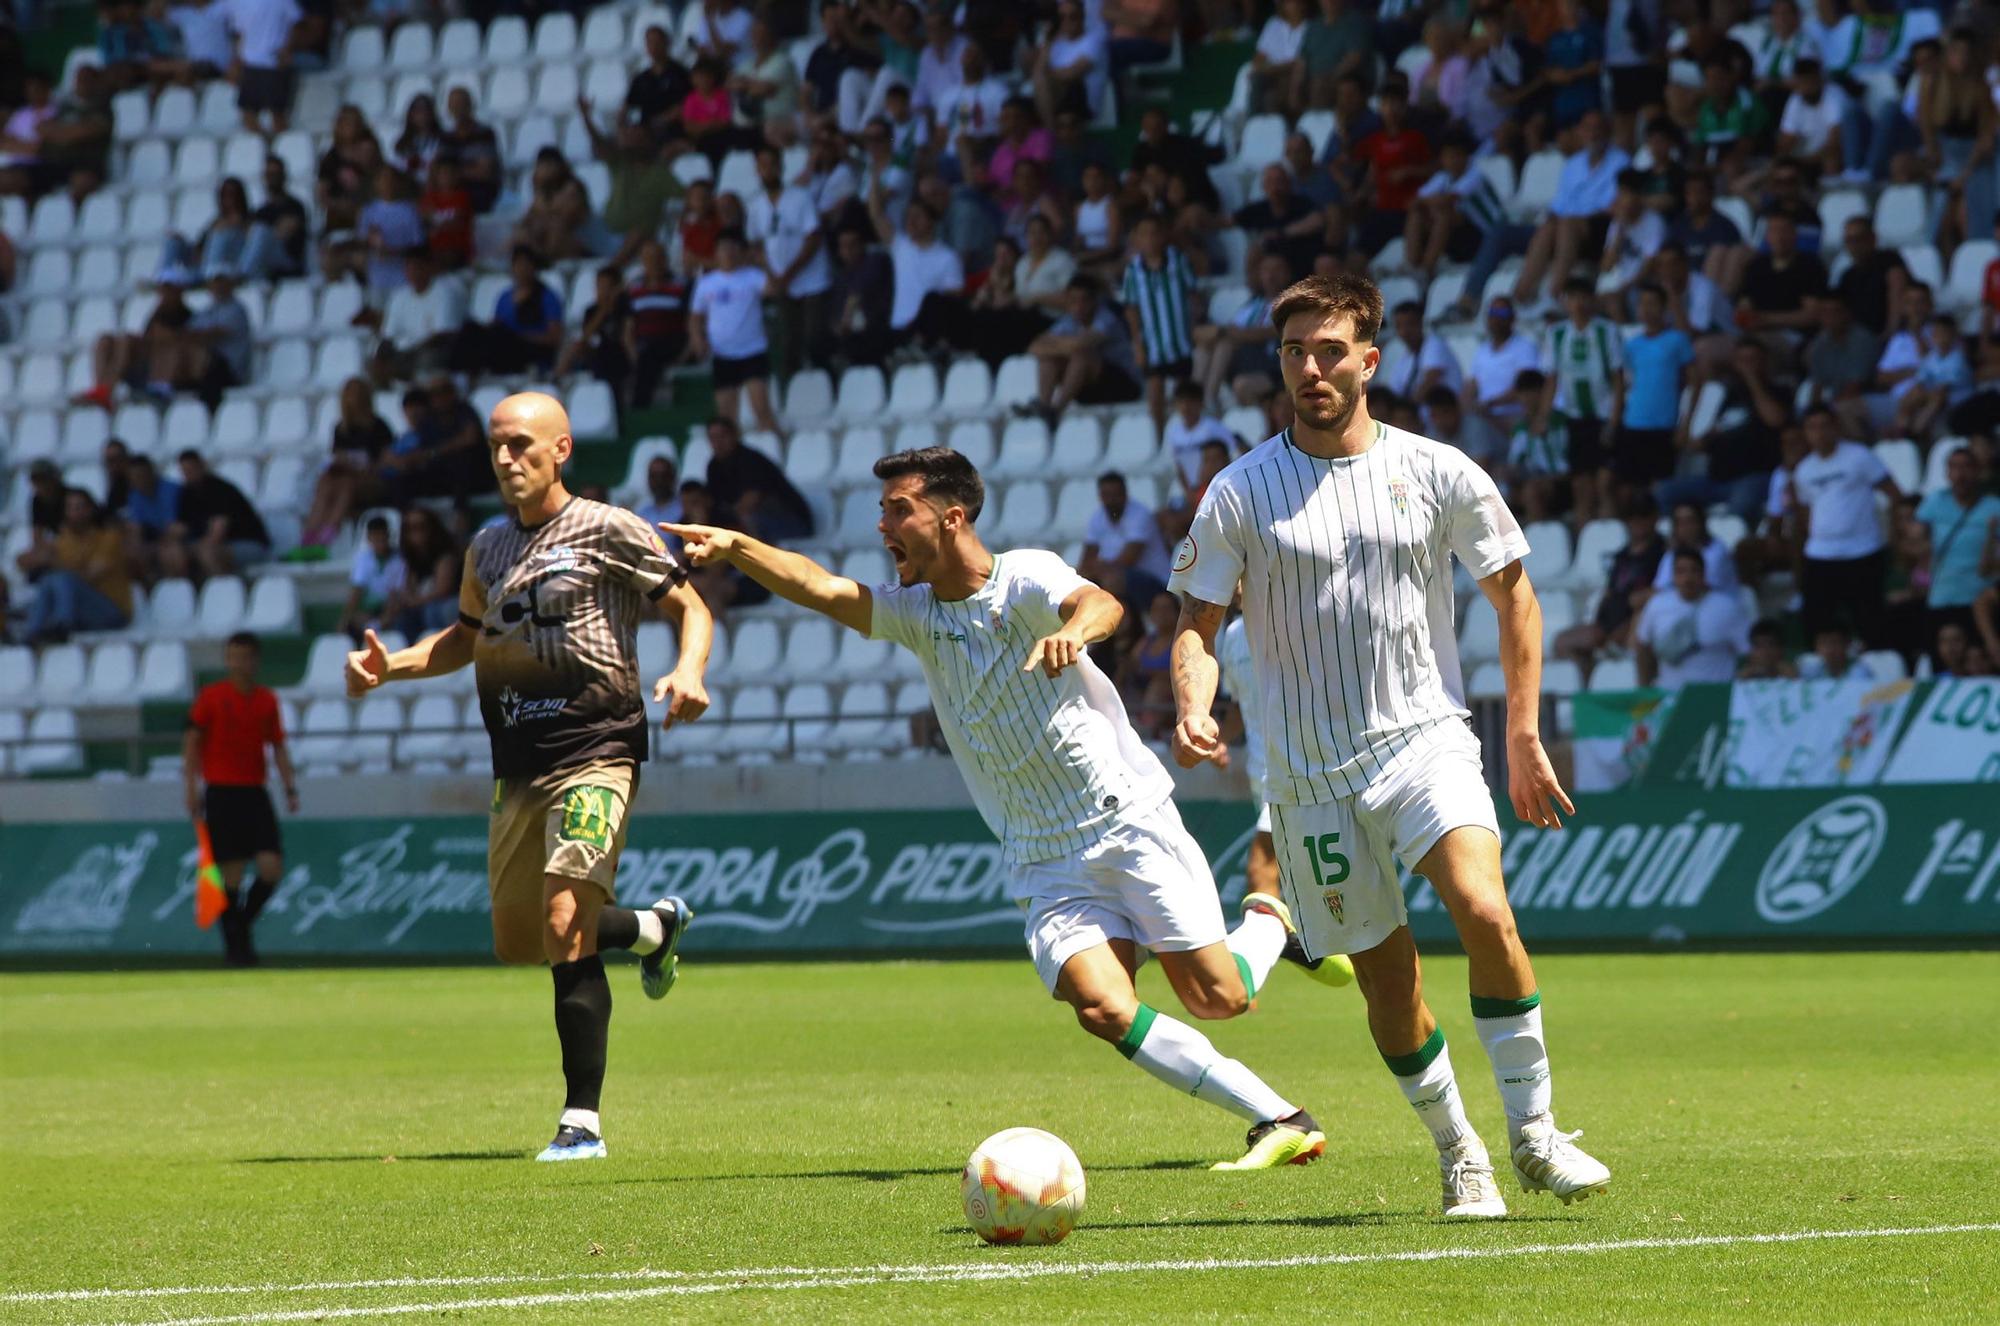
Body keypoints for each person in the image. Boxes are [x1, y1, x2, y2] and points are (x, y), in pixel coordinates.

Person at [665, 447, 1330, 1170]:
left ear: (950, 518)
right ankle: (1278, 1117)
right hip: (1041, 856)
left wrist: (1076, 631)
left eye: (898, 510)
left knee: (1218, 998)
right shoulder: (916, 614)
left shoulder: (1024, 578)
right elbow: (822, 587)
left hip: (1125, 821)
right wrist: (735, 547)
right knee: (1102, 1007)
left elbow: (1099, 602)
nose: (882, 524)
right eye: (881, 509)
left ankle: (1268, 921)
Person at [1168, 273, 1610, 1218]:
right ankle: (1462, 1155)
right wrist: (1193, 704)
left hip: (1424, 740)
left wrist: (1524, 734)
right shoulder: (1240, 492)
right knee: (1389, 979)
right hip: (1306, 775)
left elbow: (1516, 597)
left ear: (1371, 357)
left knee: (1484, 910)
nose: (1311, 368)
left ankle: (1534, 1135)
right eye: (1293, 352)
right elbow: (1197, 624)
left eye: (1329, 350)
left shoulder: (1440, 470)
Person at [344, 392, 714, 1162]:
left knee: (561, 926)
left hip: (598, 750)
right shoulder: (486, 550)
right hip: (518, 767)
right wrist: (393, 668)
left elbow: (691, 605)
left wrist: (688, 669)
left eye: (521, 444)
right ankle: (652, 927)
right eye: (496, 447)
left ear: (562, 448)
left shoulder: (609, 529)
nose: (507, 459)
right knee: (523, 941)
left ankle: (582, 1123)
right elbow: (464, 640)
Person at [183, 632, 297, 966]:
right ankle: (237, 948)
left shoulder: (266, 700)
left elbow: (277, 746)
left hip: (254, 791)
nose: (239, 663)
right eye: (233, 656)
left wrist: (289, 787)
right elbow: (192, 742)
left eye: (245, 656)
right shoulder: (211, 697)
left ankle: (240, 927)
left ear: (255, 660)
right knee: (231, 874)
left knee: (270, 866)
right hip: (221, 791)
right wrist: (191, 787)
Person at [1791, 404, 1900, 647]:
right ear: (1806, 433)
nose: (1819, 433)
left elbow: (1894, 493)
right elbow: (1806, 512)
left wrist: (1894, 537)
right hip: (1821, 553)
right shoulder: (1803, 470)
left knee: (1869, 619)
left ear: (1836, 427)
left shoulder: (1859, 456)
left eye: (1824, 426)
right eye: (1812, 428)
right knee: (1816, 620)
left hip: (1862, 550)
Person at [1541, 277, 1624, 524]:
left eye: (1582, 297)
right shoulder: (1555, 334)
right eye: (1572, 297)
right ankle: (1584, 541)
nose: (1577, 303)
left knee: (1604, 483)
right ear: (1565, 301)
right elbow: (1552, 381)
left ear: (1591, 300)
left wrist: (1614, 421)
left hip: (1603, 415)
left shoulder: (1606, 331)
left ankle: (1610, 533)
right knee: (1581, 486)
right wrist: (1543, 418)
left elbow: (1617, 380)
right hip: (1574, 418)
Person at [689, 228, 782, 436]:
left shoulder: (753, 276)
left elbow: (775, 290)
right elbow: (696, 317)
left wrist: (764, 263)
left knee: (762, 410)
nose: (728, 253)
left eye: (733, 248)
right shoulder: (707, 283)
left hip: (752, 352)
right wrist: (697, 339)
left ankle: (777, 455)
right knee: (726, 419)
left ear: (741, 251)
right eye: (723, 248)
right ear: (716, 252)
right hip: (723, 354)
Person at [1914, 445, 2000, 658]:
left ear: (1978, 471)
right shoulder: (1934, 503)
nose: (1961, 474)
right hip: (1941, 598)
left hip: (1979, 600)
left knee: (1979, 662)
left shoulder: (1994, 508)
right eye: (1954, 467)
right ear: (1947, 473)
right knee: (1942, 666)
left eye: (1967, 467)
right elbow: (1912, 541)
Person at [1020, 276, 1142, 424]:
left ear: (1093, 301)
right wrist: (1065, 347)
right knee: (1049, 360)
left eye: (1083, 300)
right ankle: (1044, 406)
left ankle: (1056, 411)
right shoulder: (1068, 320)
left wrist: (1055, 344)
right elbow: (1034, 347)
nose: (1078, 306)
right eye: (1073, 300)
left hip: (1124, 386)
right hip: (1089, 388)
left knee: (1081, 357)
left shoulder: (1106, 318)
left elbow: (1082, 345)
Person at [17, 490, 132, 643]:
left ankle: (63, 625)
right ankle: (33, 632)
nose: (74, 513)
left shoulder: (108, 538)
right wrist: (35, 559)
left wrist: (54, 563)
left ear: (90, 510)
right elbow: (24, 561)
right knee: (48, 580)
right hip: (82, 614)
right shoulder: (63, 541)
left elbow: (90, 575)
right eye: (70, 508)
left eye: (79, 507)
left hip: (112, 612)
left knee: (62, 578)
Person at [1119, 214, 1198, 429]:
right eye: (1144, 234)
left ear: (1163, 235)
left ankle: (1183, 430)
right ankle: (1159, 435)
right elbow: (1131, 308)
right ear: (1136, 238)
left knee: (1183, 392)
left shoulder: (1178, 261)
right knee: (1154, 390)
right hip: (1152, 342)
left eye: (1154, 232)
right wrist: (1137, 343)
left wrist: (1194, 326)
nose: (1150, 238)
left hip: (1180, 339)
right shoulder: (1133, 270)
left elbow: (1193, 295)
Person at [1614, 283, 1694, 495]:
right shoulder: (1632, 345)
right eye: (1642, 304)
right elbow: (1625, 384)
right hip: (1634, 422)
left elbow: (1693, 383)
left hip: (1664, 424)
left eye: (1652, 304)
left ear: (1664, 307)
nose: (1647, 309)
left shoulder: (1677, 340)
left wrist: (1685, 424)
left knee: (1661, 487)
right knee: (1630, 485)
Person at [300, 377, 394, 547]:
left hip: (371, 481)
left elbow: (386, 462)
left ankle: (327, 534)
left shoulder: (379, 427)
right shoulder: (341, 429)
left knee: (346, 484)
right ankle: (310, 535)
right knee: (326, 482)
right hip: (346, 476)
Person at [1634, 549, 1751, 686]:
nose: (1687, 578)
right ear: (1673, 576)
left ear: (1704, 574)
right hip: (1670, 697)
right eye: (1680, 571)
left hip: (1715, 697)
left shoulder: (1727, 608)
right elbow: (1643, 648)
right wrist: (1643, 687)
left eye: (1694, 570)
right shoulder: (1657, 605)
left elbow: (1748, 652)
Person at [702, 416, 814, 543]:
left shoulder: (750, 461)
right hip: (760, 521)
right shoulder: (714, 466)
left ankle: (756, 559)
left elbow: (750, 502)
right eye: (713, 438)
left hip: (791, 523)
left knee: (746, 519)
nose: (718, 442)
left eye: (722, 436)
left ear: (735, 435)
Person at [160, 450, 270, 581]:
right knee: (170, 553)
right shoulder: (186, 494)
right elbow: (178, 528)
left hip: (248, 543)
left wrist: (192, 547)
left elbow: (217, 534)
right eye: (185, 471)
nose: (188, 474)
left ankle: (224, 591)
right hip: (213, 544)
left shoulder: (221, 490)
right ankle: (188, 594)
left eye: (191, 469)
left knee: (207, 552)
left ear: (202, 466)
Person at [367, 249, 468, 386]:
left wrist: (411, 351)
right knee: (374, 361)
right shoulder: (399, 297)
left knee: (426, 358)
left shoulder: (444, 293)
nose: (414, 272)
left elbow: (443, 335)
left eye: (418, 267)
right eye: (410, 268)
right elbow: (388, 335)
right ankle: (387, 397)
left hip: (432, 351)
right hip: (402, 352)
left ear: (429, 268)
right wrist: (381, 355)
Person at [1079, 471, 1173, 611]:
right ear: (1100, 496)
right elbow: (1086, 560)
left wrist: (1098, 567)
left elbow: (1128, 560)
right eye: (1107, 495)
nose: (1111, 500)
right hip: (1121, 576)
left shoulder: (1140, 515)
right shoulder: (1097, 517)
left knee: (1113, 580)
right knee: (1081, 580)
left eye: (1116, 495)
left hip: (1157, 582)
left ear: (1125, 494)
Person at [338, 514, 402, 640]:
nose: (379, 540)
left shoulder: (400, 559)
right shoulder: (363, 558)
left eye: (382, 536)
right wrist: (345, 620)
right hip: (370, 611)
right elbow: (356, 591)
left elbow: (396, 593)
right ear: (368, 537)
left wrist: (383, 620)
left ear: (388, 535)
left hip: (391, 608)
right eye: (375, 537)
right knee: (353, 623)